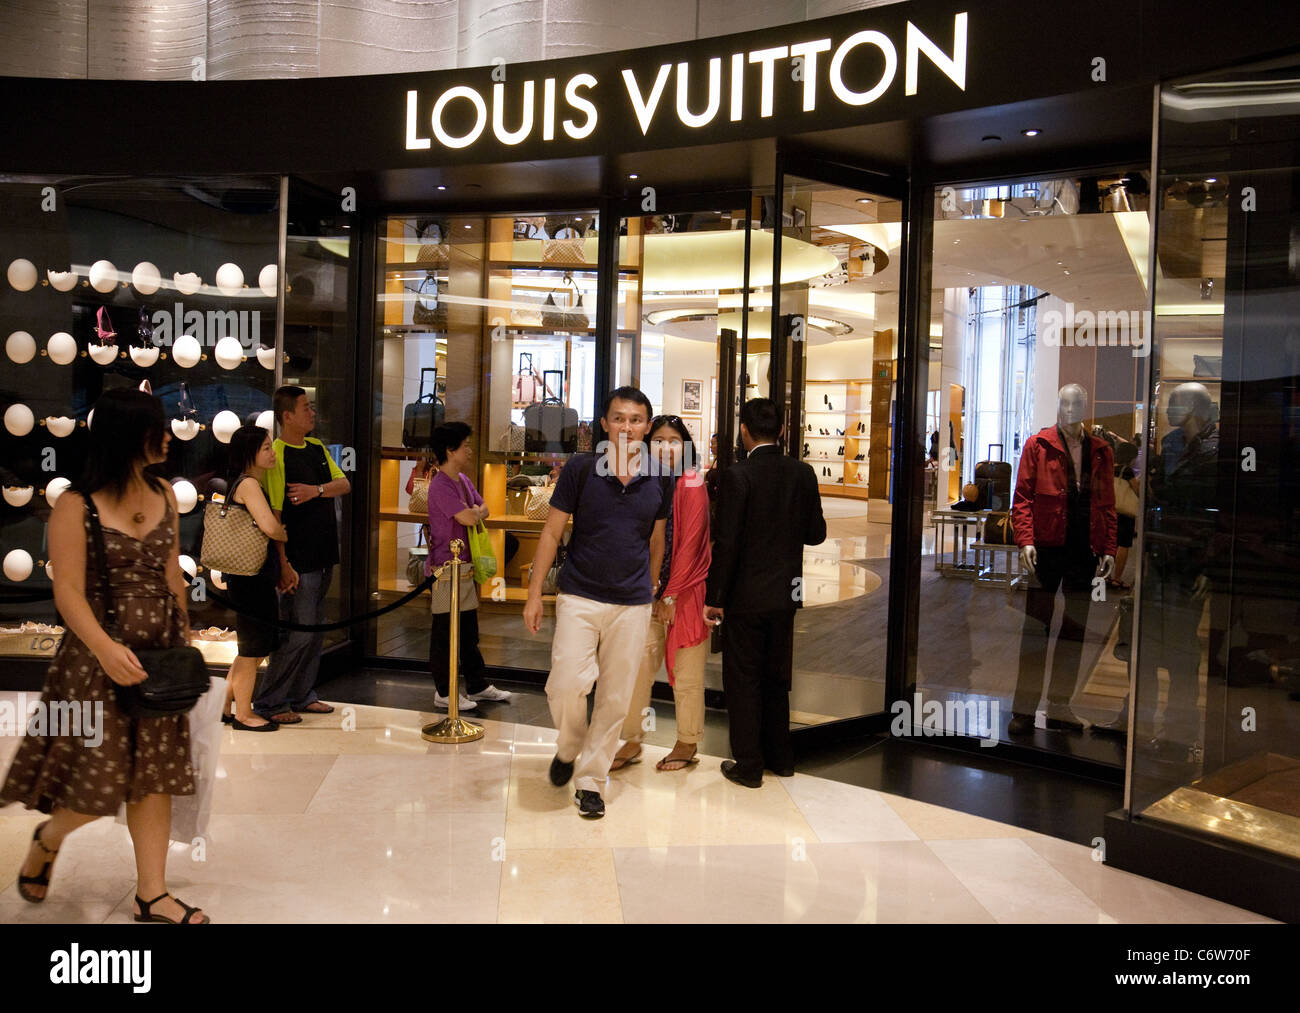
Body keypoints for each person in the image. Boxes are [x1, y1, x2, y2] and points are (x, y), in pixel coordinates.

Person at [1, 388, 210, 923]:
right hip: (94, 663)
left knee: (155, 778)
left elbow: (170, 578)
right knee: (96, 782)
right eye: (157, 427)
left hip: (157, 659)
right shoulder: (76, 504)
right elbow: (68, 589)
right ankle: (50, 837)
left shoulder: (163, 491)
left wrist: (183, 640)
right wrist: (105, 647)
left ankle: (153, 893)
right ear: (128, 435)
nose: (168, 436)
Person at [523, 386, 670, 819]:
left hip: (632, 602)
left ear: (646, 426)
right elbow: (551, 532)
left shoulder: (661, 475)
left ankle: (591, 781)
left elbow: (657, 539)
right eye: (619, 418)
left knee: (614, 696)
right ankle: (569, 744)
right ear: (604, 424)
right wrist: (535, 593)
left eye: (637, 419)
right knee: (566, 681)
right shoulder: (581, 469)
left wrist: (651, 585)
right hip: (579, 595)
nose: (628, 427)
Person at [705, 397, 826, 788]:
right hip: (785, 596)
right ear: (782, 431)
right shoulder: (803, 473)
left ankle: (749, 764)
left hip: (745, 597)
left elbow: (727, 544)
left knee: (743, 679)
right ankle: (782, 758)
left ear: (744, 431)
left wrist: (715, 596)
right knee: (776, 677)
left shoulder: (737, 476)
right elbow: (816, 534)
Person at [1008, 384, 1117, 736]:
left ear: (1086, 408)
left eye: (1077, 404)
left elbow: (1108, 504)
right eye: (1065, 404)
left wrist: (1110, 548)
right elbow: (1022, 497)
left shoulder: (1100, 450)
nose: (1070, 409)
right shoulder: (1037, 445)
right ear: (1057, 406)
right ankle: (1024, 709)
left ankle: (1059, 706)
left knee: (1074, 631)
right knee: (1035, 630)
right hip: (1045, 549)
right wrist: (1025, 540)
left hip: (1083, 551)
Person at [612, 415, 712, 773]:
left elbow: (691, 544)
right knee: (637, 668)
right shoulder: (642, 482)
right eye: (658, 440)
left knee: (687, 674)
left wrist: (669, 595)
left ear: (684, 446)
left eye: (673, 441)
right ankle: (631, 740)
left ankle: (687, 742)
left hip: (683, 593)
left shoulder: (692, 481)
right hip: (645, 591)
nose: (665, 447)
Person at [254, 386, 350, 724]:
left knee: (315, 631)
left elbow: (344, 485)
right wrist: (284, 563)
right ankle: (271, 701)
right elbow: (277, 515)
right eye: (305, 408)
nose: (312, 413)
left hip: (324, 553)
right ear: (287, 416)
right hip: (299, 558)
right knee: (297, 632)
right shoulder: (277, 455)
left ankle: (302, 694)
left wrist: (315, 491)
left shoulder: (317, 447)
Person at [425, 421, 513, 711]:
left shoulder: (462, 480)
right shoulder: (440, 485)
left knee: (467, 630)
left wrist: (474, 511)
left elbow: (482, 509)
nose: (470, 450)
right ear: (450, 450)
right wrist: (474, 512)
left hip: (465, 567)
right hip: (444, 569)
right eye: (465, 445)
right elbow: (469, 517)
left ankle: (476, 684)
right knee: (444, 631)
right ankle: (444, 691)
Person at [218, 423, 289, 732]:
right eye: (265, 448)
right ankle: (243, 714)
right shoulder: (248, 484)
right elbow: (270, 526)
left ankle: (223, 703)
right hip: (250, 577)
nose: (271, 453)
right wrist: (282, 532)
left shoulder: (244, 482)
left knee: (252, 645)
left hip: (249, 576)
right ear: (249, 453)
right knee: (252, 648)